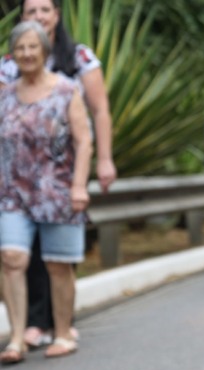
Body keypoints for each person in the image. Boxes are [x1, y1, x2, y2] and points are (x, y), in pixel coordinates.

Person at [0, 0, 117, 349]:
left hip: (61, 174)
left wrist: (104, 160)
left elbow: (99, 111)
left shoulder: (77, 60)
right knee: (18, 254)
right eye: (31, 11)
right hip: (16, 179)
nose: (39, 16)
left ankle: (61, 325)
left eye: (44, 10)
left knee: (57, 256)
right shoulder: (8, 68)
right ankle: (32, 325)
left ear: (57, 15)